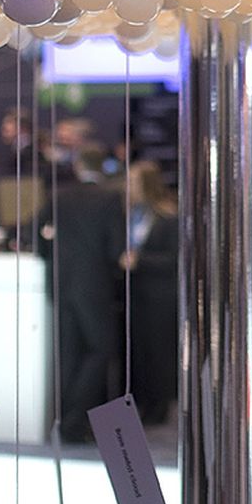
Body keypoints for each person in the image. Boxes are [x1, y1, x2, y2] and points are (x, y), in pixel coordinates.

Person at [37, 152, 126, 442]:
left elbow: (37, 238)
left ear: (78, 166)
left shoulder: (57, 196)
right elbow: (116, 249)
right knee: (101, 351)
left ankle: (65, 421)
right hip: (93, 286)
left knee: (69, 354)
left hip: (61, 283)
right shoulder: (109, 199)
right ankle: (74, 420)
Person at [122, 160, 180, 424]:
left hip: (160, 295)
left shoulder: (168, 217)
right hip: (136, 294)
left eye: (133, 182)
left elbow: (175, 260)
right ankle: (142, 403)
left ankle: (159, 407)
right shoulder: (131, 214)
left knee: (159, 353)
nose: (128, 187)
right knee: (140, 353)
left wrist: (139, 261)